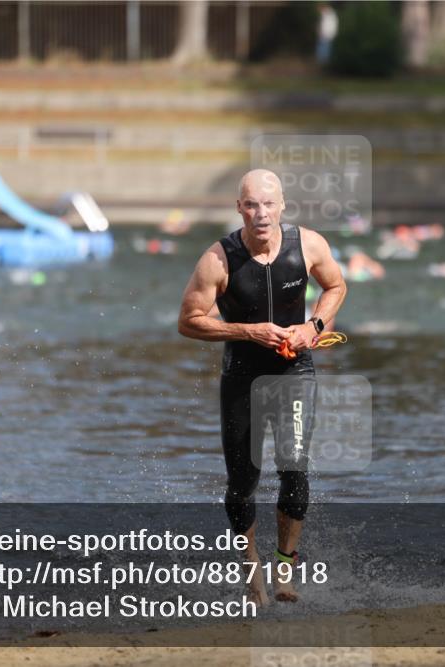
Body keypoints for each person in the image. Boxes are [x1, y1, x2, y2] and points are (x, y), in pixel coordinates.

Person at [178, 169, 347, 606]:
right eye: (251, 204)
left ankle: (284, 567)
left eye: (268, 204)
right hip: (242, 377)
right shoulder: (218, 259)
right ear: (239, 208)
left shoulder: (308, 244)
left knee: (294, 466)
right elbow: (189, 321)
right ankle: (251, 567)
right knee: (242, 481)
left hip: (295, 371)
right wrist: (249, 332)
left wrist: (314, 325)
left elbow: (336, 285)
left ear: (283, 205)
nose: (261, 213)